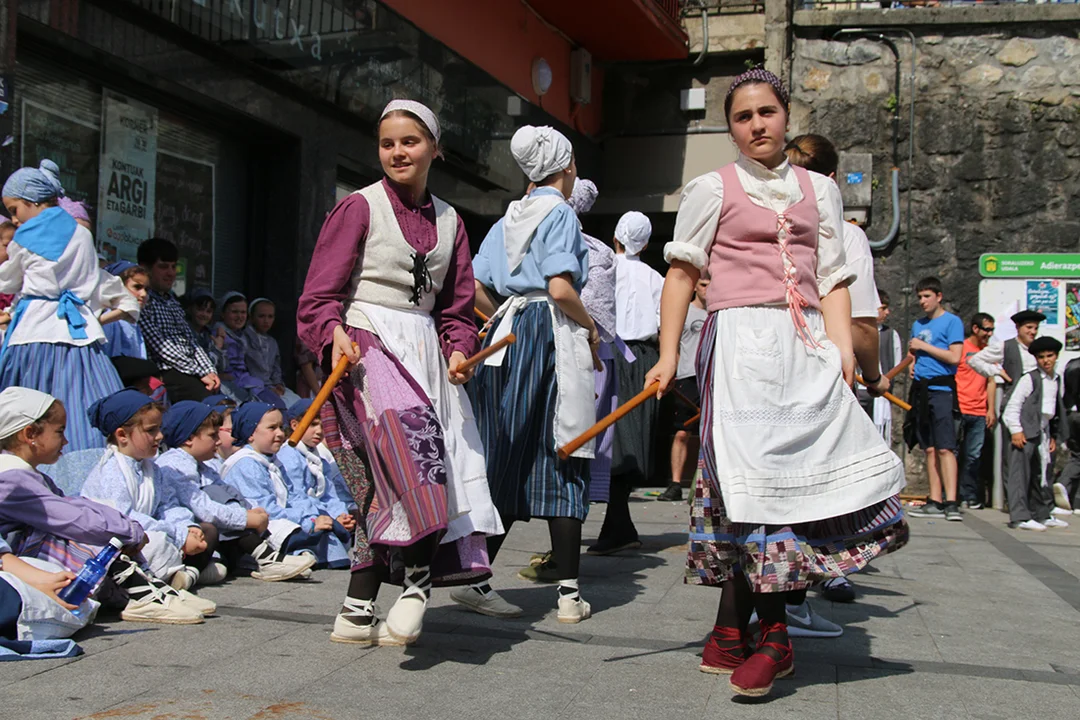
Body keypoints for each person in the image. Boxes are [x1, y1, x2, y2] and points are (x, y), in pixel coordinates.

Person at [654, 67, 907, 698]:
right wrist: (667, 355)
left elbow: (835, 277)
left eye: (766, 112)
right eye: (742, 117)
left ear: (785, 115)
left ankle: (738, 633)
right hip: (739, 346)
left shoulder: (820, 190)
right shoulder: (711, 188)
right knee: (752, 487)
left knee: (796, 482)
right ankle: (773, 635)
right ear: (731, 128)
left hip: (805, 345)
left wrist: (841, 349)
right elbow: (681, 276)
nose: (756, 125)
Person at [298, 100, 504, 646]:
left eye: (409, 141)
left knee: (386, 482)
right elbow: (319, 295)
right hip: (366, 344)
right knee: (417, 448)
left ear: (435, 149)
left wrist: (459, 349)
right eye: (387, 143)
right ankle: (416, 582)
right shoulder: (358, 207)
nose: (397, 152)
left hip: (425, 351)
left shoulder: (451, 220)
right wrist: (331, 331)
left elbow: (456, 308)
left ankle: (356, 609)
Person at [471, 123, 598, 624]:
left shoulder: (508, 216)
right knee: (564, 447)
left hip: (506, 338)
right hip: (550, 335)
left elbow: (474, 285)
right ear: (564, 166)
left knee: (505, 452)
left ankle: (476, 580)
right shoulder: (562, 212)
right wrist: (590, 327)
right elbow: (561, 288)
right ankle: (568, 595)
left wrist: (506, 313)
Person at [0, 387, 204, 624]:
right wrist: (128, 530)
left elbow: (73, 505)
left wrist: (126, 527)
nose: (66, 441)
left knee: (98, 529)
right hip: (18, 560)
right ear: (30, 434)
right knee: (77, 533)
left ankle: (139, 588)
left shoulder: (30, 475)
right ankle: (137, 594)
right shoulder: (12, 480)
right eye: (59, 432)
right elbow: (68, 517)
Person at [0, 159, 125, 481]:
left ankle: (24, 474)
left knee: (28, 405)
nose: (14, 218)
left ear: (32, 201)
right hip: (79, 332)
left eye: (15, 209)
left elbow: (8, 282)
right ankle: (93, 476)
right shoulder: (81, 234)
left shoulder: (26, 236)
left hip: (35, 330)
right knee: (84, 402)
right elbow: (92, 280)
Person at [79, 390, 217, 615]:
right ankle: (152, 588)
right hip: (119, 541)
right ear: (122, 435)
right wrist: (177, 535)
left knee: (201, 531)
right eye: (151, 430)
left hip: (148, 534)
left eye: (159, 429)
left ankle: (174, 579)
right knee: (156, 542)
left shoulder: (152, 469)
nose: (160, 436)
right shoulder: (111, 471)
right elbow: (124, 517)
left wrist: (186, 527)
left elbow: (167, 505)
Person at [156, 401, 315, 582]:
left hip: (208, 535)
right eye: (212, 435)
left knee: (223, 499)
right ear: (189, 438)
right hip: (186, 534)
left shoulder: (204, 466)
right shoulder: (174, 464)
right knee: (213, 496)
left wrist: (250, 512)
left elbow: (229, 492)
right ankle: (266, 558)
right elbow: (204, 509)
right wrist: (246, 518)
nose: (218, 441)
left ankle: (258, 559)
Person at [596, 211, 663, 554]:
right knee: (630, 438)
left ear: (615, 238)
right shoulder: (656, 278)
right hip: (647, 359)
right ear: (646, 244)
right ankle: (618, 524)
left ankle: (618, 526)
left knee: (612, 439)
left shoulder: (604, 269)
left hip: (609, 354)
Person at [221, 402, 351, 571]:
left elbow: (294, 496)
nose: (280, 433)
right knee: (296, 532)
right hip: (261, 525)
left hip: (283, 517)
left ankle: (303, 554)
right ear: (251, 433)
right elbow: (265, 509)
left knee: (330, 538)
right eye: (272, 428)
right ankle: (280, 559)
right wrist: (309, 522)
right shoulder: (246, 464)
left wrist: (314, 515)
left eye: (281, 427)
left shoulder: (272, 461)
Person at [904, 277, 965, 522]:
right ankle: (935, 499)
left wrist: (924, 347)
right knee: (928, 448)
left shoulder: (952, 322)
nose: (922, 301)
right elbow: (913, 352)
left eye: (927, 296)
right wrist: (913, 362)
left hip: (942, 389)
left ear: (939, 297)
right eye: (920, 297)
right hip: (921, 389)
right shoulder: (918, 324)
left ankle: (951, 501)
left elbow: (955, 357)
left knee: (945, 447)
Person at [137, 238, 220, 402]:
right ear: (145, 269)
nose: (171, 273)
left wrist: (209, 370)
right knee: (206, 407)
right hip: (166, 371)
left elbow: (191, 341)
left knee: (221, 403)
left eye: (174, 267)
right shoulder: (143, 301)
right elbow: (161, 346)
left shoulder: (172, 302)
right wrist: (198, 371)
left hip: (190, 369)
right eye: (163, 267)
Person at [1002, 337, 1069, 531]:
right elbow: (1013, 406)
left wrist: (1053, 435)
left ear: (1056, 356)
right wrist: (1016, 430)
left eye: (1050, 356)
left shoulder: (1056, 379)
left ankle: (1041, 513)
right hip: (1025, 432)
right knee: (1019, 475)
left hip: (1042, 431)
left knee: (1041, 474)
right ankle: (1019, 516)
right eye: (1041, 357)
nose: (1046, 360)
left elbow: (1052, 410)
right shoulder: (1029, 379)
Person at [661, 275, 709, 503]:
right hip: (687, 377)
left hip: (712, 378)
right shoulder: (685, 311)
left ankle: (710, 483)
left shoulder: (718, 313)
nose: (707, 289)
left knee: (714, 432)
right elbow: (671, 343)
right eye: (703, 285)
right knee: (682, 432)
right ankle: (675, 483)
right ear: (695, 287)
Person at [279, 398, 356, 520]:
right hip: (306, 519)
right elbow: (297, 498)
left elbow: (330, 496)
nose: (319, 431)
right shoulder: (289, 456)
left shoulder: (319, 460)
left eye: (323, 426)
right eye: (313, 424)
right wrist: (328, 519)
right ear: (294, 425)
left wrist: (340, 515)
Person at [956, 313, 998, 509]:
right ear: (975, 329)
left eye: (992, 330)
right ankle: (950, 495)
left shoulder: (989, 353)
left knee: (974, 456)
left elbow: (991, 381)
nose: (989, 334)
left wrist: (991, 409)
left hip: (979, 411)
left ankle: (969, 495)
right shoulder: (962, 348)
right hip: (959, 407)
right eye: (986, 329)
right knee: (953, 453)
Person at [218, 292, 284, 410]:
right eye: (234, 312)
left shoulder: (240, 336)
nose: (239, 316)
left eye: (242, 312)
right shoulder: (221, 334)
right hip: (232, 384)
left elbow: (275, 367)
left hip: (249, 382)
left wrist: (277, 383)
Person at [245, 298, 302, 408]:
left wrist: (278, 383)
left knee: (297, 404)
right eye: (261, 316)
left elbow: (276, 367)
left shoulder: (272, 342)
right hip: (252, 387)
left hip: (270, 385)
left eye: (270, 316)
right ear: (251, 317)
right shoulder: (245, 339)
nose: (266, 321)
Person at [98, 261, 150, 360]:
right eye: (137, 287)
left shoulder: (131, 321)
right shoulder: (111, 321)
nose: (144, 294)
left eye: (146, 289)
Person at [870, 291, 903, 442]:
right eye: (883, 308)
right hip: (862, 393)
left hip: (882, 394)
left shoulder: (891, 335)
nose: (887, 312)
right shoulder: (857, 332)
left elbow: (896, 364)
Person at [1053, 355, 1080, 515]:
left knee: (1077, 455)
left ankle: (1072, 497)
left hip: (1070, 414)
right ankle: (1065, 486)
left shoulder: (1071, 364)